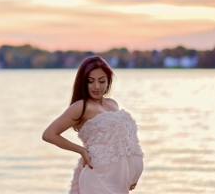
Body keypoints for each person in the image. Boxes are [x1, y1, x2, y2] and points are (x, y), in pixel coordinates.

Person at [42, 56, 144, 194]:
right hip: (97, 179)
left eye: (102, 81)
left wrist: (130, 174)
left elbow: (124, 144)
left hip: (118, 183)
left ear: (108, 81)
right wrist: (81, 150)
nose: (97, 86)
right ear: (83, 83)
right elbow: (49, 134)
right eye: (90, 81)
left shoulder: (113, 104)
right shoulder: (81, 106)